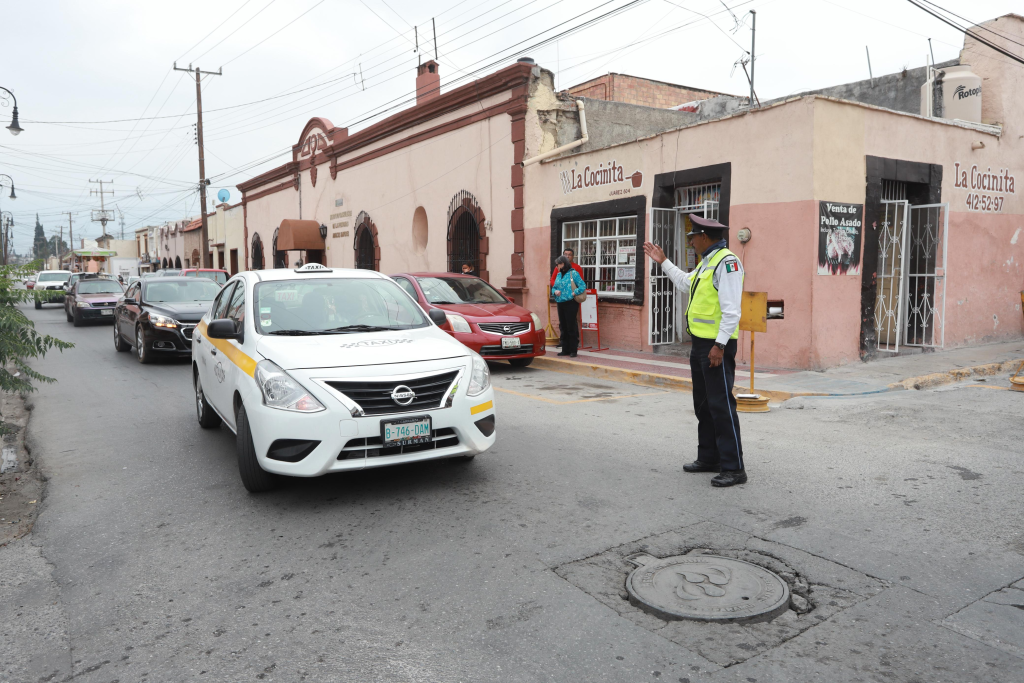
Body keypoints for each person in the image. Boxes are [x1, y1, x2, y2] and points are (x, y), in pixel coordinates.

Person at [642, 215, 747, 487]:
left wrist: (719, 346)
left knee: (722, 405)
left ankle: (734, 467)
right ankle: (709, 457)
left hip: (716, 346)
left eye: (692, 237)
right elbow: (685, 283)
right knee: (703, 404)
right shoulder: (707, 263)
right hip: (701, 344)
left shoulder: (728, 263)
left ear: (704, 237)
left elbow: (732, 311)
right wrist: (663, 262)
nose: (690, 241)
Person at [551, 255, 586, 358]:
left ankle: (573, 350)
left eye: (558, 264)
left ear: (563, 264)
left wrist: (574, 293)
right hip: (560, 302)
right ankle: (564, 349)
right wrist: (555, 291)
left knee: (571, 326)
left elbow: (582, 286)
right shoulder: (558, 275)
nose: (556, 266)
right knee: (563, 326)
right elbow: (554, 287)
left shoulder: (573, 273)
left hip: (571, 302)